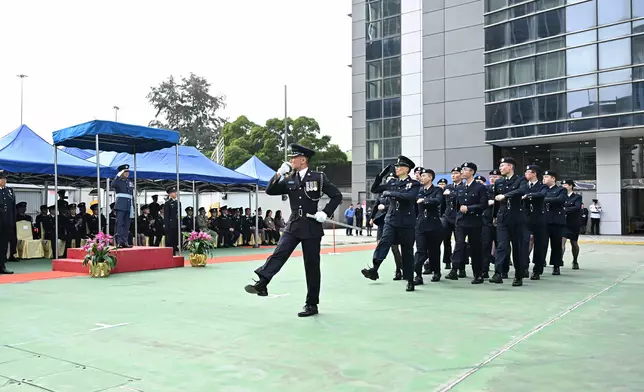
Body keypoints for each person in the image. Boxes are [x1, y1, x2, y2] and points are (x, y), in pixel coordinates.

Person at [244, 143, 342, 317]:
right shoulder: (290, 178)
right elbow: (270, 190)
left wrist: (325, 212)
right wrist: (278, 173)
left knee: (311, 266)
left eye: (294, 157)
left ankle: (312, 304)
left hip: (312, 225)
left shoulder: (318, 177)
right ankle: (263, 282)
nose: (291, 160)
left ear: (303, 160)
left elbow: (337, 195)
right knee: (279, 252)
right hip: (295, 223)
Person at [361, 155, 421, 292]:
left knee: (407, 250)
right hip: (391, 220)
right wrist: (381, 175)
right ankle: (374, 268)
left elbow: (410, 197)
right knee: (384, 242)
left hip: (406, 221)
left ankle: (409, 279)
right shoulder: (392, 182)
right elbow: (374, 189)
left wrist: (391, 194)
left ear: (406, 169)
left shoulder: (414, 184)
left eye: (399, 166)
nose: (396, 168)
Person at [490, 157, 528, 286]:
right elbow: (496, 201)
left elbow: (522, 191)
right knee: (502, 246)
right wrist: (494, 216)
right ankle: (498, 273)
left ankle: (519, 275)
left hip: (517, 218)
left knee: (518, 248)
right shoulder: (499, 182)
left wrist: (506, 196)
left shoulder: (520, 180)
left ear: (510, 167)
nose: (500, 168)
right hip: (502, 218)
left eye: (502, 166)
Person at [448, 162, 488, 283]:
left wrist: (470, 208)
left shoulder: (479, 187)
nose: (462, 172)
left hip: (474, 221)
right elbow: (456, 205)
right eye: (462, 170)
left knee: (475, 247)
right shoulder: (460, 188)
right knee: (459, 244)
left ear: (472, 172)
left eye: (465, 170)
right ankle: (454, 269)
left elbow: (484, 204)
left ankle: (478, 274)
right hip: (461, 221)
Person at [413, 168, 444, 284]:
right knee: (420, 250)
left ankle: (436, 271)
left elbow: (438, 201)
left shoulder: (437, 190)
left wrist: (425, 200)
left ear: (430, 177)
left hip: (433, 224)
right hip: (420, 224)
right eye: (421, 176)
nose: (421, 177)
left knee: (434, 251)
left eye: (424, 175)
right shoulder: (419, 190)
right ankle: (417, 274)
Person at [369, 183, 404, 280]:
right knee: (380, 245)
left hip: (392, 222)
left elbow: (398, 207)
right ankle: (375, 269)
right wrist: (371, 217)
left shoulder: (397, 193)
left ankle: (399, 270)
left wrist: (385, 207)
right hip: (381, 222)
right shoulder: (382, 194)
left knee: (394, 248)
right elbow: (376, 206)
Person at [522, 165, 548, 280]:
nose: (526, 174)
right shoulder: (523, 185)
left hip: (538, 218)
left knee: (539, 244)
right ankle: (524, 266)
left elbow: (542, 194)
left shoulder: (542, 186)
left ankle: (537, 269)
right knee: (524, 243)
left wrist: (528, 196)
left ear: (534, 173)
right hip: (525, 217)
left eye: (528, 172)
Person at [542, 170, 567, 276]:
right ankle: (540, 263)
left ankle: (556, 266)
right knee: (542, 244)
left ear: (553, 178)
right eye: (543, 177)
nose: (544, 179)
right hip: (543, 220)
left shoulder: (561, 190)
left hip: (556, 221)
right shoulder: (542, 189)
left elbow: (560, 200)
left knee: (556, 245)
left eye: (546, 177)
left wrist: (545, 199)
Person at [442, 167, 462, 272]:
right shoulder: (447, 186)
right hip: (447, 215)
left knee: (460, 242)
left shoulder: (463, 186)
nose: (453, 175)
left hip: (459, 217)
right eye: (452, 173)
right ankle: (447, 261)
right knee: (446, 239)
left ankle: (460, 265)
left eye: (456, 173)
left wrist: (452, 194)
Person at [110, 164, 134, 248]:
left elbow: (131, 194)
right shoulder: (118, 181)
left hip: (128, 205)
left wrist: (133, 206)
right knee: (120, 224)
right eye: (125, 171)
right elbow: (112, 184)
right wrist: (117, 176)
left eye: (128, 171)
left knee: (127, 224)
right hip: (120, 205)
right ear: (121, 172)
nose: (127, 173)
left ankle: (125, 241)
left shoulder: (129, 182)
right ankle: (119, 242)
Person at [562, 180, 582, 270]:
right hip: (563, 223)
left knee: (574, 243)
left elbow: (577, 207)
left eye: (565, 185)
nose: (563, 186)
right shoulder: (562, 196)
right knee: (562, 241)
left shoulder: (577, 197)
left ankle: (575, 260)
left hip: (573, 223)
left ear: (570, 186)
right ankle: (559, 260)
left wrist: (565, 209)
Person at [0, 170, 16, 274]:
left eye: (5, 178)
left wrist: (12, 222)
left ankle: (2, 265)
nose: (4, 180)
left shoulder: (9, 191)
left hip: (6, 224)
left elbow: (13, 208)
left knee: (3, 245)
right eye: (2, 178)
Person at [164, 186, 181, 255]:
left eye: (175, 192)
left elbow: (179, 215)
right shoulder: (167, 203)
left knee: (175, 240)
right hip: (170, 225)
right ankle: (169, 253)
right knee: (169, 240)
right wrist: (166, 226)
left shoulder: (178, 202)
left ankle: (174, 252)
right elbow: (166, 216)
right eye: (173, 192)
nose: (175, 193)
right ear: (170, 194)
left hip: (176, 224)